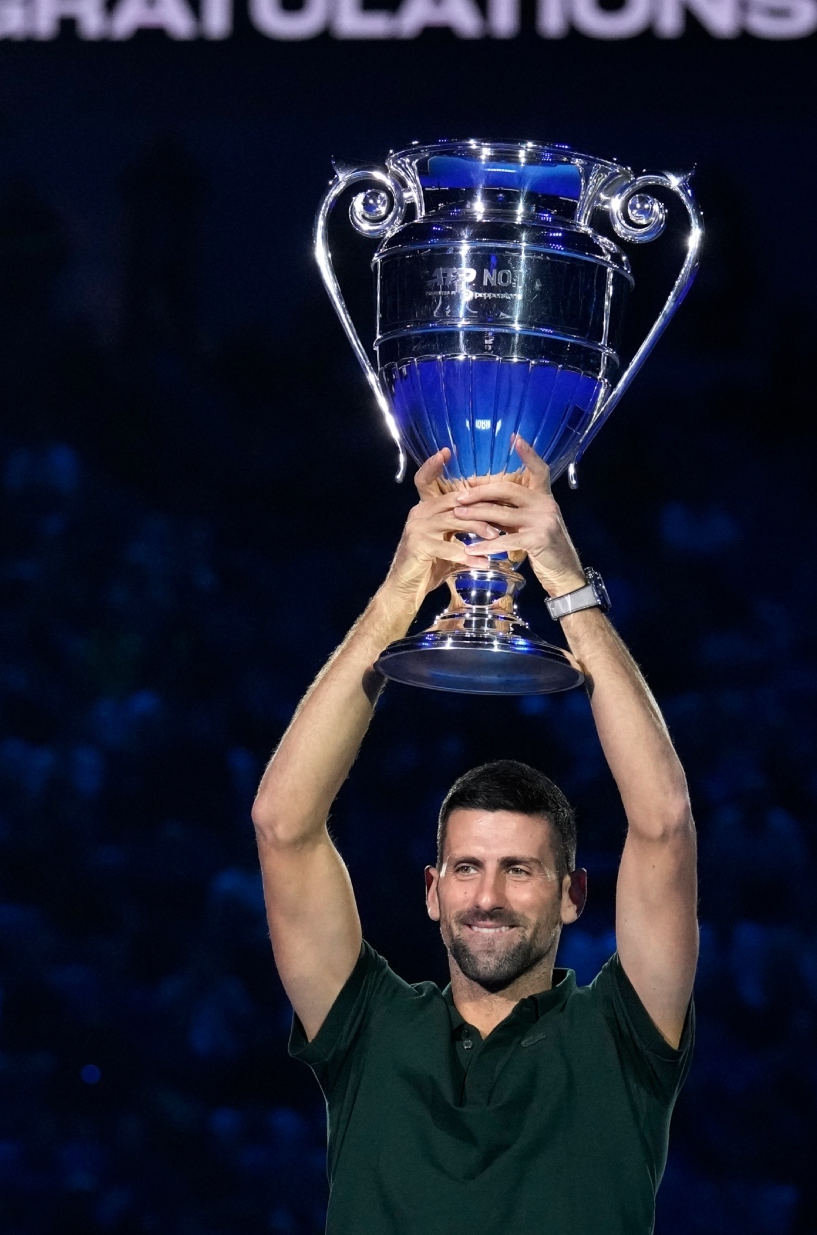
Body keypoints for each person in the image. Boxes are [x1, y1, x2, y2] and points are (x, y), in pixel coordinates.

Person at [254, 437, 698, 1235]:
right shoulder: (369, 1032)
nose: (487, 897)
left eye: (520, 870)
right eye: (466, 866)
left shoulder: (622, 1042)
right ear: (432, 890)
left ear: (572, 895)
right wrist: (398, 598)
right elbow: (284, 829)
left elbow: (663, 824)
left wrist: (564, 583)